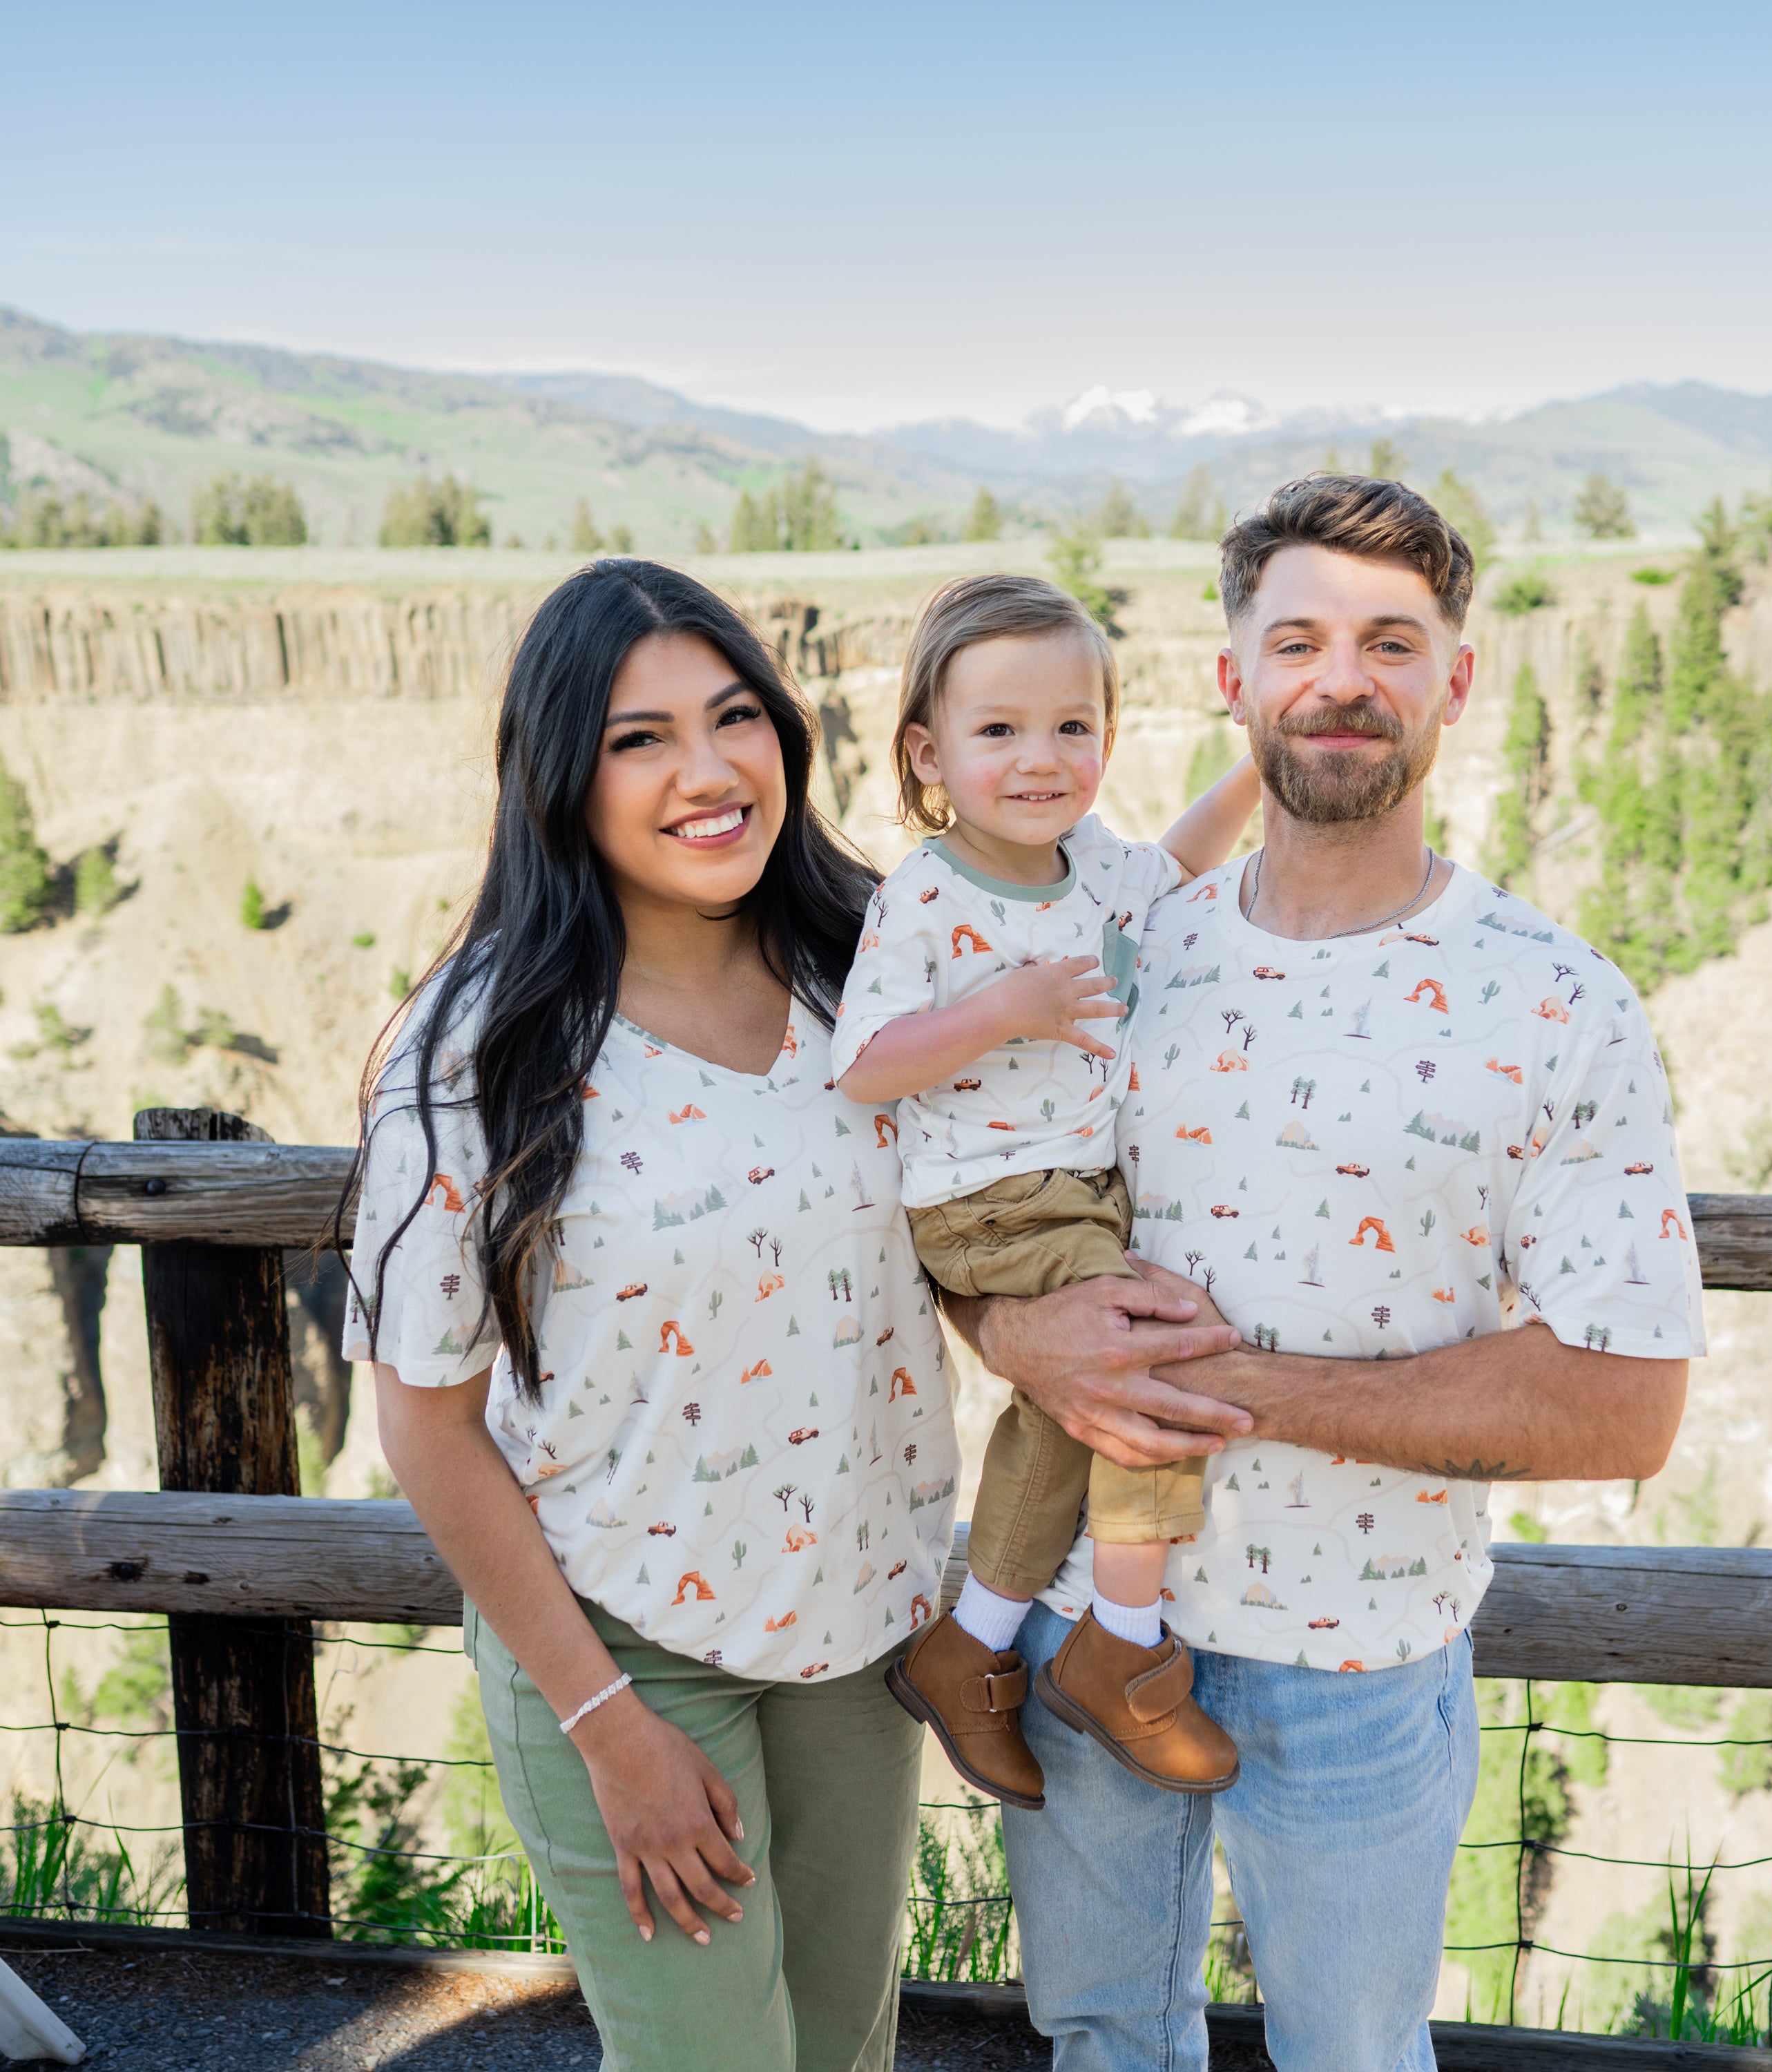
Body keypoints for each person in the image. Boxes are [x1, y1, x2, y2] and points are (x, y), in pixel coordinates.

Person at [936, 475, 1703, 2072]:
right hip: (1079, 1624)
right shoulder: (1117, 955)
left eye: (1389, 644)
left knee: (1352, 2056)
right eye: (1297, 641)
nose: (1340, 680)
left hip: (1361, 1652)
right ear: (1235, 679)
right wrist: (1012, 1331)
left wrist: (1221, 1387)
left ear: (1455, 682)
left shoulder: (1556, 1002)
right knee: (1100, 2039)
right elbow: (959, 1187)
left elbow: (1623, 1405)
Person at [345, 561, 986, 2072]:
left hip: (862, 1632)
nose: (707, 772)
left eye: (733, 717)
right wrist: (606, 1727)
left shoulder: (876, 966)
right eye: (640, 740)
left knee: (844, 2055)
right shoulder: (477, 1049)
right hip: (626, 1649)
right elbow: (426, 1422)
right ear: (561, 778)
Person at [831, 575, 1260, 1807]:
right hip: (993, 1198)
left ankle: (970, 1648)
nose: (1041, 758)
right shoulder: (928, 894)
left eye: (1073, 726)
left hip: (1076, 1194)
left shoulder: (1098, 867)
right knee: (1143, 1363)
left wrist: (1259, 771)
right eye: (999, 730)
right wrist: (999, 1011)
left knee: (1065, 1415)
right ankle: (1122, 1649)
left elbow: (1176, 868)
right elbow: (864, 1065)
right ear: (931, 753)